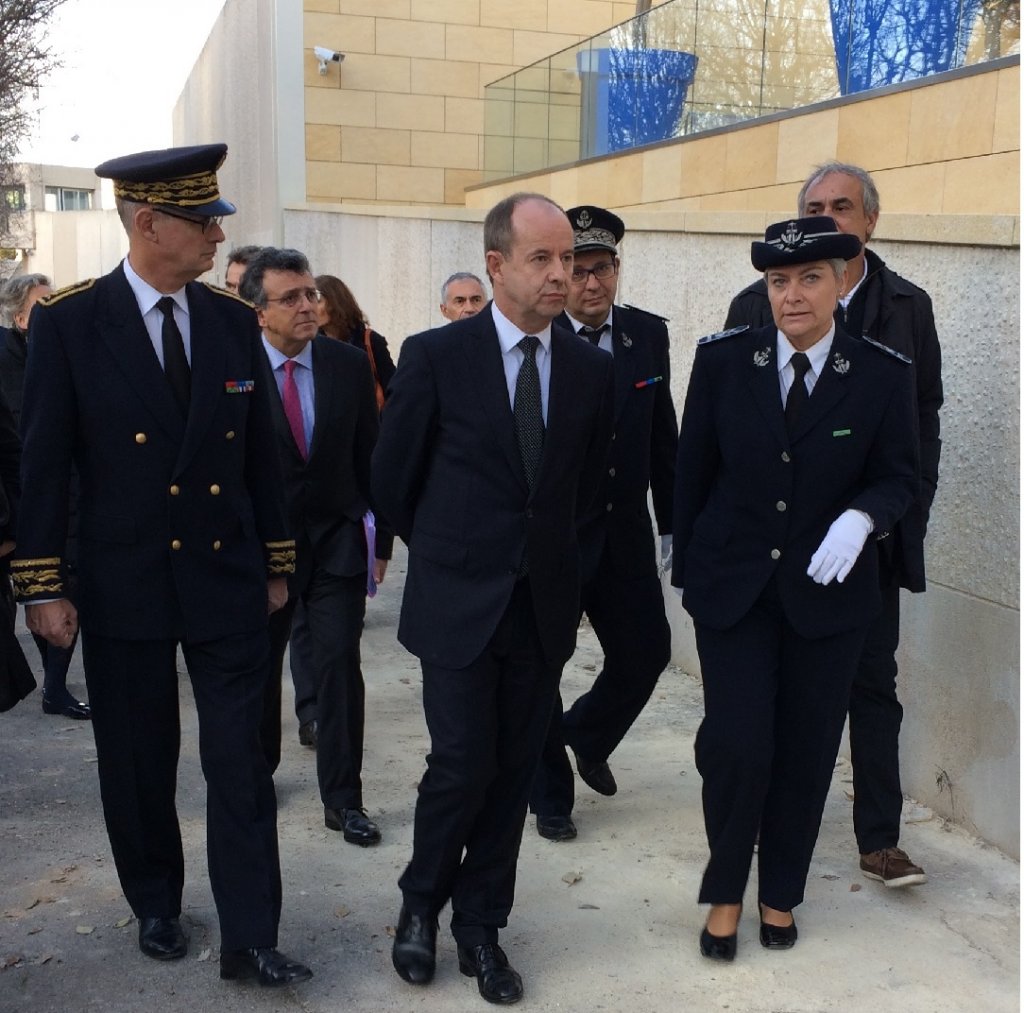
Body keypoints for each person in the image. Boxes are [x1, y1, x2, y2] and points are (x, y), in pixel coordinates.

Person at [10, 144, 311, 987]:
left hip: (223, 579)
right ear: (149, 223)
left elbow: (261, 452)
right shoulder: (72, 324)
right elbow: (47, 465)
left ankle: (252, 934)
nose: (219, 232)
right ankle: (156, 900)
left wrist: (276, 560)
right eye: (202, 218)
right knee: (139, 759)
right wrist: (43, 584)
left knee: (240, 763)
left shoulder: (225, 321)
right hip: (123, 581)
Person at [373, 192, 614, 1006]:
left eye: (569, 260)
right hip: (456, 604)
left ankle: (482, 926)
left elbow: (582, 497)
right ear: (498, 265)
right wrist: (451, 553)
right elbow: (392, 481)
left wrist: (564, 575)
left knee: (512, 772)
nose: (563, 274)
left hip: (541, 608)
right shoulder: (436, 356)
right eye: (543, 259)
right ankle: (419, 905)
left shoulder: (590, 368)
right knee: (461, 763)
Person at [672, 216, 918, 961]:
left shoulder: (881, 373)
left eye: (810, 277)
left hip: (828, 598)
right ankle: (725, 891)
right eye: (779, 280)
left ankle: (781, 890)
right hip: (734, 590)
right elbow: (694, 470)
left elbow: (901, 474)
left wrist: (863, 518)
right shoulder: (723, 362)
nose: (792, 295)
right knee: (740, 745)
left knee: (807, 752)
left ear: (843, 280)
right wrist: (684, 562)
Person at [724, 162, 943, 889]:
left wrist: (893, 516)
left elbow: (921, 425)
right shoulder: (754, 307)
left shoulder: (907, 307)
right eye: (815, 206)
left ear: (870, 221)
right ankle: (756, 819)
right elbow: (727, 434)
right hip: (769, 552)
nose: (831, 216)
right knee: (769, 691)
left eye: (842, 205)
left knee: (872, 686)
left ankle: (880, 838)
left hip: (864, 544)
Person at [530, 206, 677, 841]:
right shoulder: (538, 340)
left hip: (624, 531)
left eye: (603, 270)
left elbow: (663, 432)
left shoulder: (646, 335)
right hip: (558, 534)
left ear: (618, 270)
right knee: (543, 663)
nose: (592, 285)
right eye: (580, 270)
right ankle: (549, 797)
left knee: (647, 650)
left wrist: (674, 521)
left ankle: (585, 733)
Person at [241, 248, 392, 847]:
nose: (308, 306)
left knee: (337, 666)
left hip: (335, 544)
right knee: (258, 671)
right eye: (291, 298)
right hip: (259, 552)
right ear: (259, 313)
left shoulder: (347, 365)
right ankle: (257, 779)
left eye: (311, 294)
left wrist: (381, 535)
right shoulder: (234, 368)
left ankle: (344, 800)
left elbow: (370, 456)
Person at [0, 274, 88, 719]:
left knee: (58, 589)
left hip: (61, 495)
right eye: (43, 304)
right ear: (19, 318)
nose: (55, 309)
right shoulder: (5, 363)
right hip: (17, 505)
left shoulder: (64, 352)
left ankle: (55, 686)